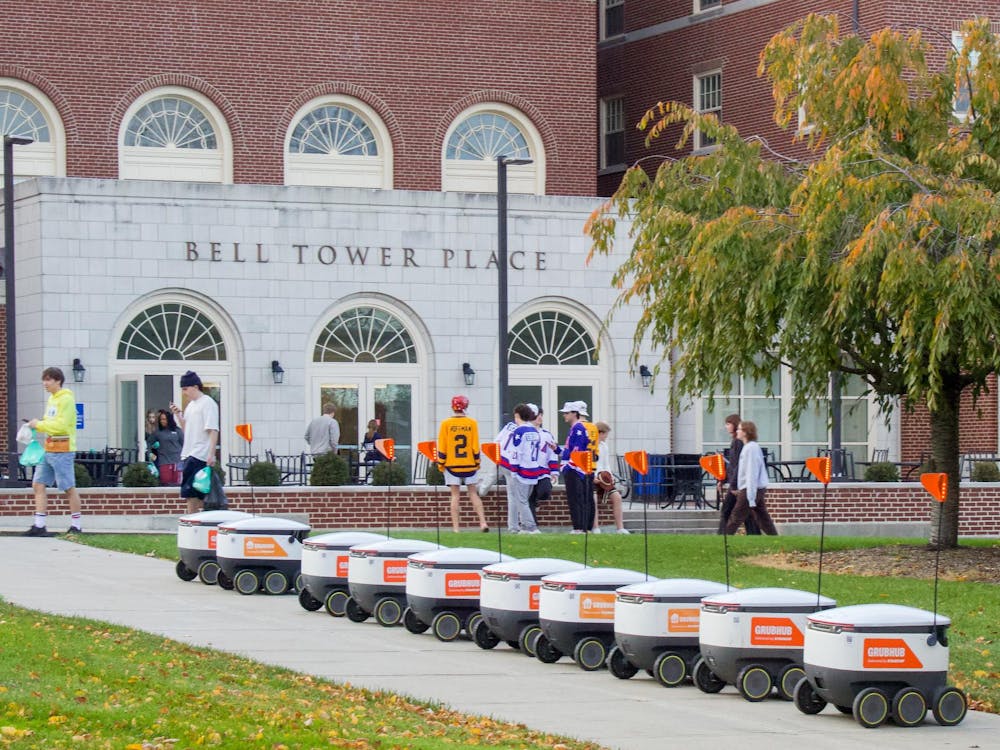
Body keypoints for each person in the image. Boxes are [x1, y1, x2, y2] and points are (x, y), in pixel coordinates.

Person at [24, 367, 83, 536]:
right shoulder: (52, 399)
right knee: (38, 484)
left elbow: (62, 425)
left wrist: (39, 425)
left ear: (58, 381)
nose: (45, 383)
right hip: (49, 448)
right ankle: (39, 525)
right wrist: (36, 425)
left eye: (48, 379)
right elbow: (50, 422)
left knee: (68, 487)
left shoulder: (66, 400)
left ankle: (76, 526)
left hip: (63, 449)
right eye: (44, 379)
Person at [437, 395, 489, 533]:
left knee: (455, 496)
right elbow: (475, 446)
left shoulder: (445, 424)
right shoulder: (472, 423)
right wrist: (477, 462)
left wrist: (441, 463)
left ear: (452, 407)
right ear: (466, 407)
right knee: (473, 493)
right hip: (469, 464)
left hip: (452, 465)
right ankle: (483, 522)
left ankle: (456, 528)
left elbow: (442, 446)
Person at [171, 371, 220, 514]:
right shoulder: (191, 406)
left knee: (195, 492)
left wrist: (211, 454)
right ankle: (193, 519)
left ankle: (195, 519)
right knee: (189, 492)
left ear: (195, 386)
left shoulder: (207, 403)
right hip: (188, 453)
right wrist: (178, 415)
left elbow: (213, 429)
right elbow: (187, 429)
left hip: (200, 454)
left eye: (185, 389)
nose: (184, 393)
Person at [725, 420, 779, 535]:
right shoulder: (749, 447)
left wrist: (750, 496)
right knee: (762, 517)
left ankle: (724, 539)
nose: (737, 431)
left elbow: (751, 473)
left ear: (745, 432)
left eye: (739, 429)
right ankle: (774, 537)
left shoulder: (751, 449)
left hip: (750, 488)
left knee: (736, 516)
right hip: (752, 488)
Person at [503, 403, 544, 534]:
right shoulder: (535, 431)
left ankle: (531, 527)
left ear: (517, 416)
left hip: (523, 470)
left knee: (521, 501)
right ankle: (526, 527)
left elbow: (516, 452)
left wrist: (514, 469)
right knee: (524, 499)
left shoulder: (519, 431)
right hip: (534, 469)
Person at [717, 413, 760, 535]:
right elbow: (733, 465)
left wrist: (734, 485)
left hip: (737, 484)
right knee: (745, 513)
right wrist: (723, 480)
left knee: (726, 510)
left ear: (734, 425)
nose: (726, 426)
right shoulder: (737, 442)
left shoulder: (737, 442)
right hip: (738, 483)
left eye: (728, 424)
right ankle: (755, 535)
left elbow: (738, 465)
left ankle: (722, 535)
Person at [560, 400, 594, 533]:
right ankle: (584, 527)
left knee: (576, 499)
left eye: (567, 413)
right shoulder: (578, 428)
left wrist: (568, 466)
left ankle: (579, 527)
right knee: (582, 498)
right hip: (579, 468)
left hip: (575, 469)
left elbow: (577, 450)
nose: (564, 415)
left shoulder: (578, 428)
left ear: (575, 413)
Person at [592, 421, 629, 534]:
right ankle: (595, 528)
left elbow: (606, 464)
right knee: (593, 499)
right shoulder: (590, 446)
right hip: (593, 479)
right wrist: (593, 477)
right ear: (600, 433)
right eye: (606, 434)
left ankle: (620, 528)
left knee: (617, 497)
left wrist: (610, 477)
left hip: (604, 479)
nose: (606, 437)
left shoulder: (604, 446)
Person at [528, 406, 559, 525]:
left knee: (545, 491)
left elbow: (552, 454)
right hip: (528, 471)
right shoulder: (524, 432)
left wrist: (554, 472)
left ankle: (537, 501)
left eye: (541, 415)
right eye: (537, 415)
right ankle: (533, 526)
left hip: (543, 471)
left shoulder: (546, 435)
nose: (540, 418)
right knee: (529, 498)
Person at [150, 409, 184, 486]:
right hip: (164, 462)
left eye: (164, 419)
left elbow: (184, 444)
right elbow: (149, 442)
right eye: (161, 419)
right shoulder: (158, 432)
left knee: (178, 484)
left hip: (178, 462)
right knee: (166, 483)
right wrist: (150, 453)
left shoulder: (177, 430)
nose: (162, 421)